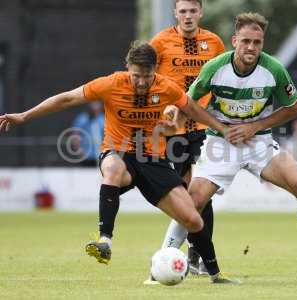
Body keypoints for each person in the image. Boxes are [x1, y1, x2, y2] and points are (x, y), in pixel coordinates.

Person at [0, 41, 237, 284]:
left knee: (193, 220)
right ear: (127, 69)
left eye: (147, 76)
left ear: (156, 69)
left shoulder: (167, 87)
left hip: (154, 159)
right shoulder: (111, 84)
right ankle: (105, 240)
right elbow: (66, 100)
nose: (142, 82)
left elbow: (195, 111)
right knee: (113, 169)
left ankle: (216, 274)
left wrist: (222, 129)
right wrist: (24, 116)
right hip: (118, 153)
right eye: (136, 76)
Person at [159, 12, 297, 276]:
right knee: (192, 202)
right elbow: (188, 103)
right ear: (234, 41)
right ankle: (161, 262)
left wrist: (255, 126)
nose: (251, 47)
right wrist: (212, 126)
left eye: (257, 42)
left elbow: (293, 108)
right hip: (221, 145)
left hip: (259, 143)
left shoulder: (273, 69)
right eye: (246, 41)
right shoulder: (215, 68)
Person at [149, 0, 225, 276]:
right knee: (185, 192)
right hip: (174, 130)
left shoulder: (214, 42)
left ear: (201, 12)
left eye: (193, 11)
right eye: (183, 11)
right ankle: (196, 253)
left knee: (201, 191)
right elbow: (148, 80)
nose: (188, 16)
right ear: (175, 14)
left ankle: (197, 255)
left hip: (204, 128)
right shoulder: (160, 42)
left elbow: (221, 80)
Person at [71, 102, 104, 167]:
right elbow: (75, 135)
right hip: (87, 155)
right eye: (94, 104)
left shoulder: (104, 118)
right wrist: (78, 150)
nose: (96, 106)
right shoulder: (83, 118)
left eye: (97, 103)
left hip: (101, 155)